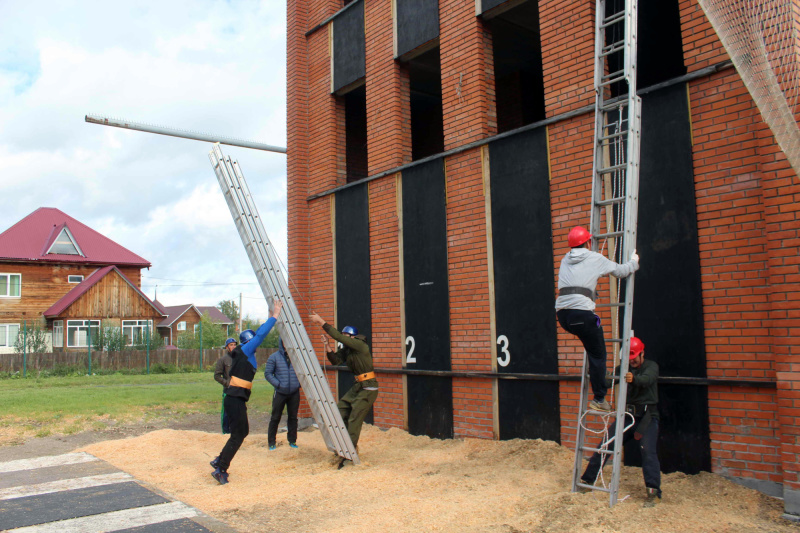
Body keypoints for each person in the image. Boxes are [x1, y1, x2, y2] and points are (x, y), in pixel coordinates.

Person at [555, 226, 639, 411]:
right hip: (582, 314)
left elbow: (574, 284)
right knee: (598, 355)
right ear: (587, 242)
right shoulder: (595, 258)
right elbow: (621, 271)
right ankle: (599, 399)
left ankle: (598, 376)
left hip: (563, 316)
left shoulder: (564, 260)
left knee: (591, 348)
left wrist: (591, 292)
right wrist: (634, 261)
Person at [580, 336, 662, 506]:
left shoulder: (651, 366)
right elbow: (607, 382)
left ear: (642, 354)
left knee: (648, 451)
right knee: (606, 445)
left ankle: (653, 492)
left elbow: (647, 380)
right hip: (627, 417)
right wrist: (598, 374)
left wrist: (634, 378)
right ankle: (588, 481)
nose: (632, 362)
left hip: (647, 418)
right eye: (629, 359)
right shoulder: (623, 368)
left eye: (634, 358)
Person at [209, 299, 283, 485]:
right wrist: (275, 315)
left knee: (240, 432)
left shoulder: (244, 353)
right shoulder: (245, 349)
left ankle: (219, 460)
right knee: (239, 434)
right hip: (235, 399)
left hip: (236, 398)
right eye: (254, 341)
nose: (256, 344)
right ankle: (221, 468)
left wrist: (269, 315)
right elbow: (261, 334)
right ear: (249, 342)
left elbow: (259, 335)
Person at [309, 313, 377, 467]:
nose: (344, 338)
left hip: (368, 387)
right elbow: (336, 361)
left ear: (352, 337)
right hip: (358, 386)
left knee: (354, 419)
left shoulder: (360, 345)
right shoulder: (348, 350)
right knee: (339, 411)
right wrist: (327, 345)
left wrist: (321, 322)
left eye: (347, 336)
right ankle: (343, 447)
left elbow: (339, 337)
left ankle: (349, 455)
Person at [264, 337, 301, 450]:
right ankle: (271, 442)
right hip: (280, 392)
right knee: (275, 417)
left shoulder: (297, 357)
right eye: (285, 341)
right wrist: (278, 384)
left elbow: (303, 372)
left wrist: (298, 384)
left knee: (293, 418)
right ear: (282, 342)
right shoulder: (274, 357)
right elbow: (268, 374)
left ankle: (292, 441)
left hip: (294, 392)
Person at [213, 338, 236, 435]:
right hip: (228, 391)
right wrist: (227, 383)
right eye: (231, 345)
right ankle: (225, 432)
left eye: (235, 344)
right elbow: (217, 376)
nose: (233, 346)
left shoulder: (240, 358)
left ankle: (236, 432)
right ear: (227, 347)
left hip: (239, 390)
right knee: (226, 413)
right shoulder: (223, 360)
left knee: (238, 413)